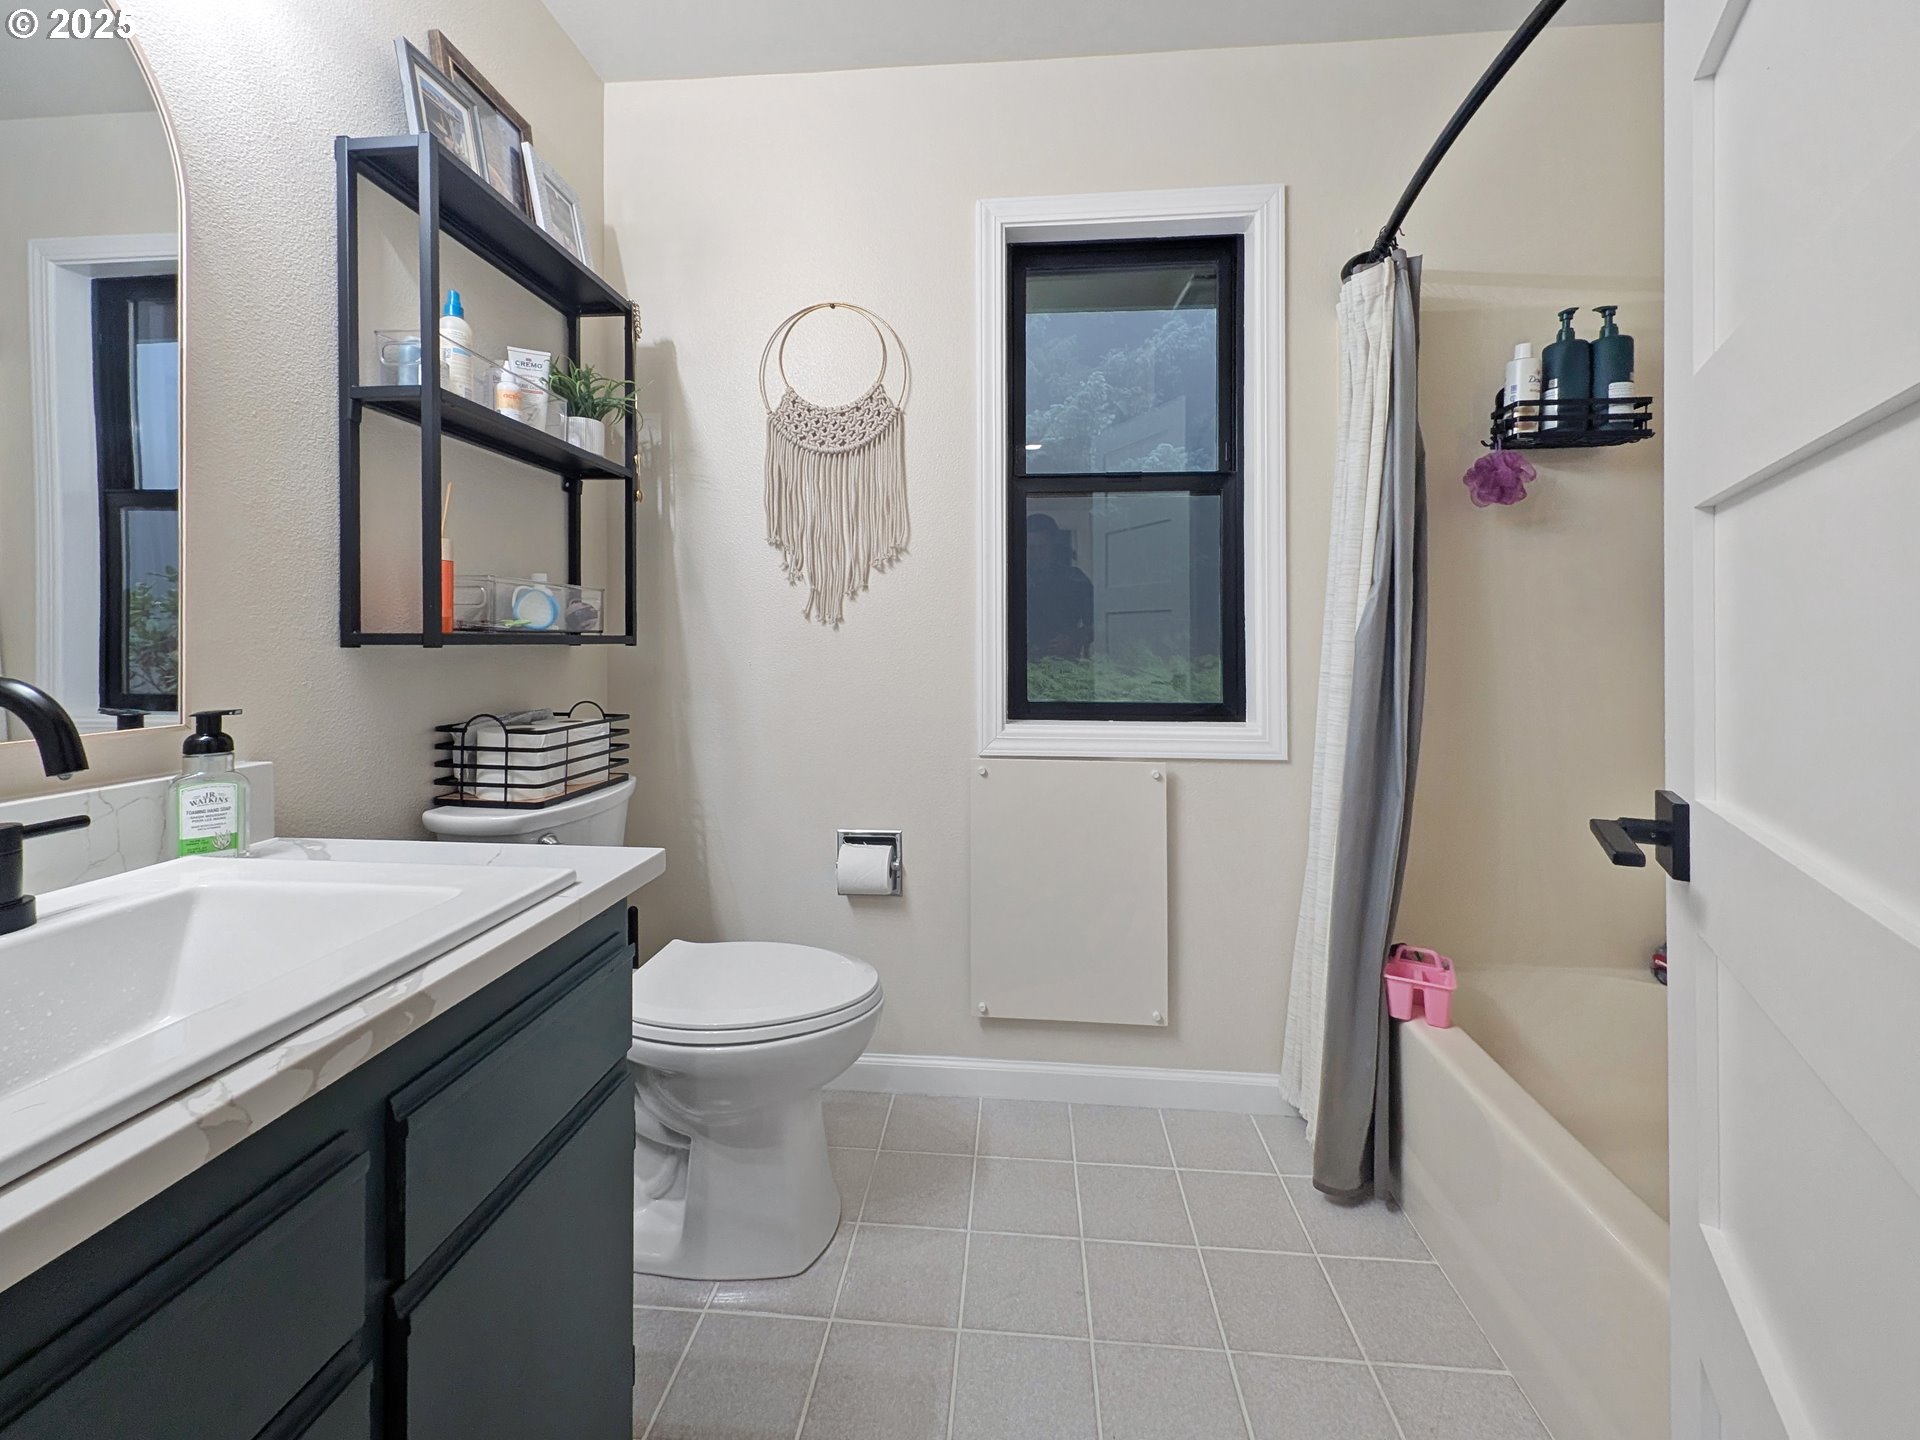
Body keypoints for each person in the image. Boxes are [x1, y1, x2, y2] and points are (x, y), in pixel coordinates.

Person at [1025, 514, 1093, 660]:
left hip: (1063, 667)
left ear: (1053, 546)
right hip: (1015, 665)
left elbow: (1099, 623)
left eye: (1042, 547)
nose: (1035, 554)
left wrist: (1074, 638)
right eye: (1030, 548)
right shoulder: (1007, 580)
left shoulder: (1075, 579)